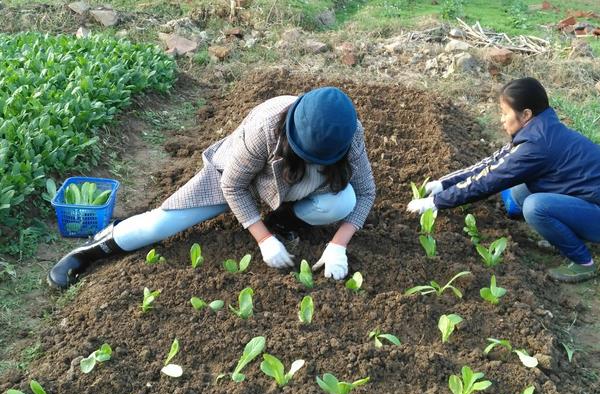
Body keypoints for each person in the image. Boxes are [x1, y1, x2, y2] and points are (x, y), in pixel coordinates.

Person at [47, 87, 376, 289]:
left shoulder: (349, 134)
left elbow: (366, 193)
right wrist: (263, 240)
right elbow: (232, 185)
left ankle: (284, 220)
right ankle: (89, 251)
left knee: (341, 201)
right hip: (241, 181)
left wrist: (338, 244)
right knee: (161, 224)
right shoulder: (266, 127)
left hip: (297, 186)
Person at [407, 77, 600, 283]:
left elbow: (487, 181)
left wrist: (436, 202)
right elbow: (491, 164)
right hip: (585, 196)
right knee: (519, 192)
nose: (501, 119)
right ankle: (563, 235)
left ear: (526, 114)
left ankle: (583, 262)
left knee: (535, 207)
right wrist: (444, 184)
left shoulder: (536, 146)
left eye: (505, 113)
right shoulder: (540, 128)